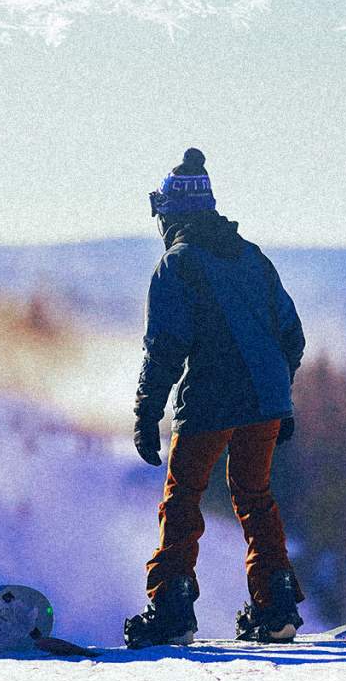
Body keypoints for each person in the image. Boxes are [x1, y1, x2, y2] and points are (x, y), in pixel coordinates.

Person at [124, 148, 306, 648]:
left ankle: (173, 609)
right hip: (266, 399)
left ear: (175, 213)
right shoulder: (253, 257)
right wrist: (278, 397)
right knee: (254, 495)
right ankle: (277, 605)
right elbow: (291, 335)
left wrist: (146, 413)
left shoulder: (176, 265)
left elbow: (165, 348)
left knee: (182, 497)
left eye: (162, 212)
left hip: (210, 397)